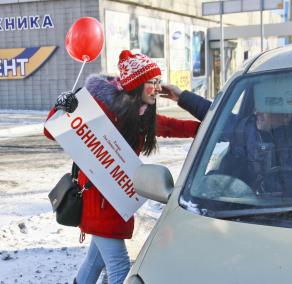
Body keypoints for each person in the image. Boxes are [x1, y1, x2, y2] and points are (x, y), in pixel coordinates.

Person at [44, 50, 201, 284]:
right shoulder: (101, 111)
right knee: (119, 267)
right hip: (99, 201)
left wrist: (213, 128)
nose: (159, 88)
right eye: (154, 82)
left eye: (159, 82)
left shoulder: (141, 116)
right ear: (137, 85)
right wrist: (61, 108)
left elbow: (175, 127)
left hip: (118, 200)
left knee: (94, 262)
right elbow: (52, 130)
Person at [161, 85, 292, 198]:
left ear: (287, 115)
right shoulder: (248, 129)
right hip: (254, 214)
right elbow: (215, 115)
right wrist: (181, 96)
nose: (255, 111)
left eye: (265, 106)